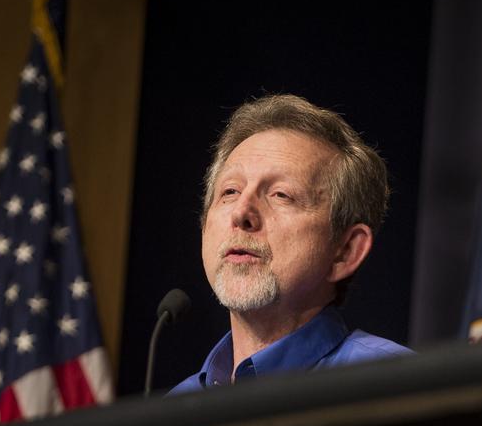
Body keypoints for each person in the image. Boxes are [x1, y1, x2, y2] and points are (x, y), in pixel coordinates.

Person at [170, 94, 411, 392]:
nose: (242, 213)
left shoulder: (393, 385)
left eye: (281, 195)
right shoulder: (174, 407)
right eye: (230, 191)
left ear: (346, 251)